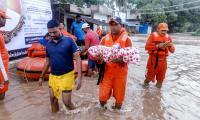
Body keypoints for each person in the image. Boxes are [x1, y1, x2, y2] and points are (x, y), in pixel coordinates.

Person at [38, 20, 82, 113]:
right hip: (53, 76)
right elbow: (47, 62)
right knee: (53, 100)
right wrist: (41, 77)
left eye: (54, 32)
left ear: (60, 28)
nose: (52, 34)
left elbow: (78, 58)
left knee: (67, 103)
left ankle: (79, 113)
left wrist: (79, 78)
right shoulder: (48, 44)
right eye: (50, 33)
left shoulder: (69, 41)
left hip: (67, 75)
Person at [98, 17, 132, 110]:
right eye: (111, 25)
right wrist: (99, 58)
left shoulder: (127, 39)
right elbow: (98, 53)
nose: (113, 27)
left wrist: (121, 60)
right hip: (107, 72)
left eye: (116, 24)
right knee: (102, 98)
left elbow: (131, 57)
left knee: (119, 101)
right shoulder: (104, 39)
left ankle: (116, 115)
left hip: (120, 73)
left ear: (121, 25)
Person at [143, 23, 175, 88]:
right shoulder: (152, 36)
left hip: (163, 61)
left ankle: (157, 96)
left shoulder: (168, 37)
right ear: (158, 29)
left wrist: (171, 45)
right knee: (148, 78)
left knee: (161, 80)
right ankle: (144, 91)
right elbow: (146, 47)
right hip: (153, 61)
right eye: (162, 30)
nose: (164, 32)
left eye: (165, 30)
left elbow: (172, 51)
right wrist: (157, 46)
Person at [0, 10, 10, 100]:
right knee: (2, 92)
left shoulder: (0, 33)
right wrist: (6, 78)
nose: (5, 21)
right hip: (1, 64)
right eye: (3, 18)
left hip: (3, 62)